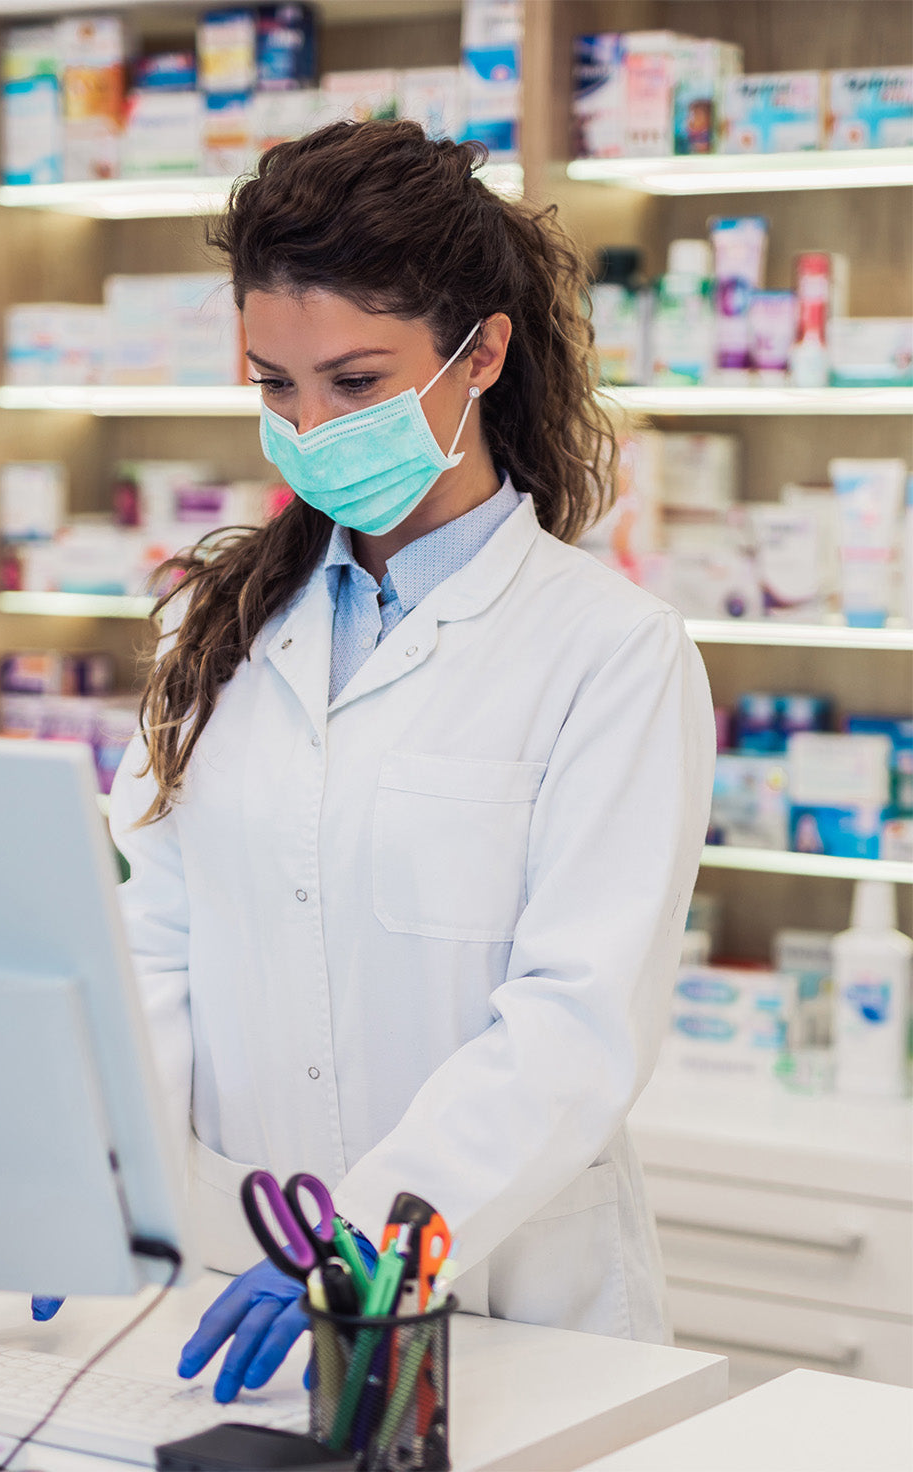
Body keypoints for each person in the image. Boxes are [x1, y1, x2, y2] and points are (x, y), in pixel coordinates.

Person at [108, 120, 716, 1406]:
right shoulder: (208, 632)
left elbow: (574, 1022)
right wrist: (111, 1189)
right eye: (275, 385)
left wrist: (370, 1229)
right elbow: (154, 945)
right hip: (235, 1292)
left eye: (356, 382)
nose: (310, 428)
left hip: (508, 1310)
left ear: (480, 351)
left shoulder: (609, 653)